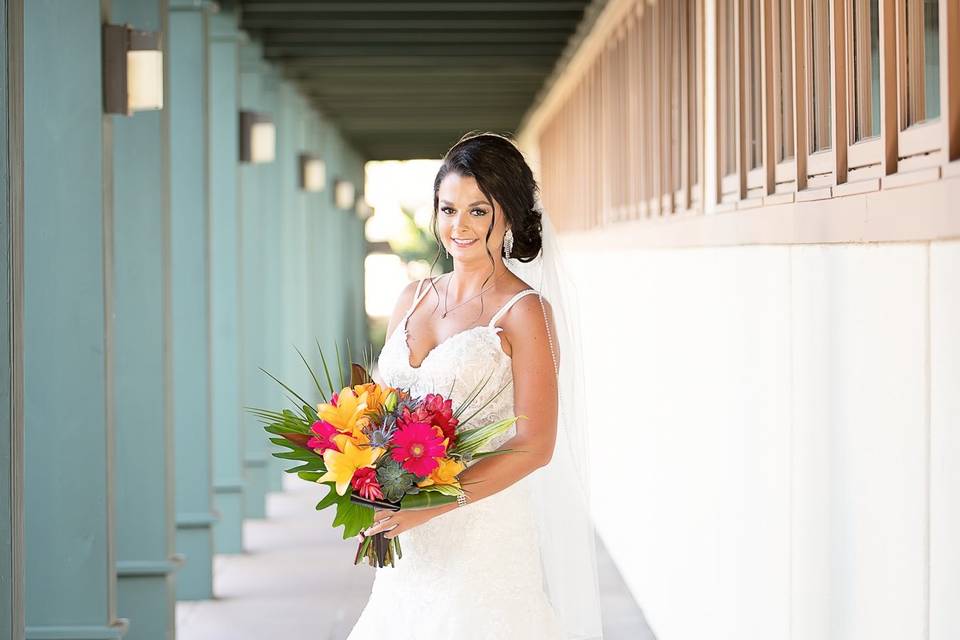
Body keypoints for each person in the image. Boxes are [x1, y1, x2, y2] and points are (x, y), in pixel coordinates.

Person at [347, 133, 602, 640]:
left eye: (478, 211)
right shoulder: (412, 297)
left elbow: (534, 446)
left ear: (506, 214)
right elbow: (377, 413)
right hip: (407, 551)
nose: (458, 226)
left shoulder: (526, 312)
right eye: (448, 209)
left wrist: (431, 507)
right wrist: (363, 478)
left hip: (481, 540)